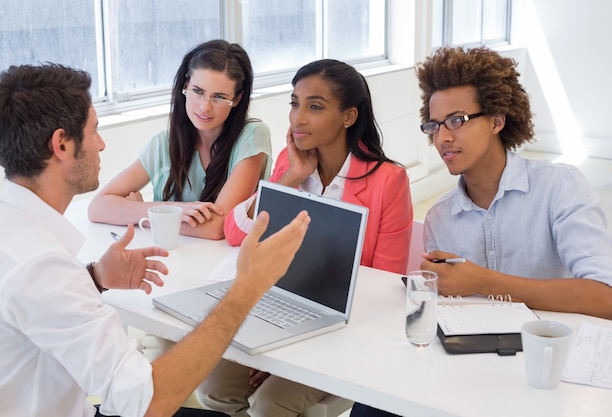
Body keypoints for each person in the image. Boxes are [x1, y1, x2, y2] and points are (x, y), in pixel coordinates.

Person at [0, 63, 310, 417]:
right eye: (94, 131)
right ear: (61, 145)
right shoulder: (41, 265)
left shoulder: (18, 237)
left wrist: (94, 279)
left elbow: (31, 306)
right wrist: (246, 289)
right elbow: (145, 404)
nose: (102, 144)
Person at [349, 45, 612, 417]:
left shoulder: (560, 187)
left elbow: (605, 300)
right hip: (471, 371)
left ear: (497, 120)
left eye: (457, 120)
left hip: (549, 372)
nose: (442, 137)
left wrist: (483, 282)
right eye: (434, 125)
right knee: (372, 405)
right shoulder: (441, 218)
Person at [195, 59, 414, 417]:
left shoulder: (388, 181)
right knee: (214, 385)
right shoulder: (291, 162)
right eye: (294, 103)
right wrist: (292, 177)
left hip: (343, 331)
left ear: (348, 116)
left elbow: (384, 290)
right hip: (279, 312)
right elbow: (235, 233)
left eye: (315, 106)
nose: (298, 118)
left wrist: (288, 350)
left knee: (268, 404)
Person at [88, 39, 271, 240]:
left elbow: (218, 226)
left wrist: (140, 210)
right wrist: (177, 210)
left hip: (222, 265)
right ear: (185, 86)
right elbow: (97, 208)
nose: (204, 107)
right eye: (198, 91)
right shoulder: (162, 144)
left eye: (218, 97)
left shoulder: (253, 136)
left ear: (236, 99)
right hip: (169, 260)